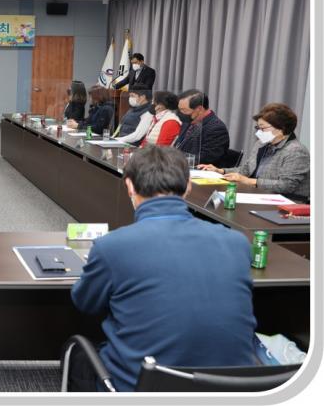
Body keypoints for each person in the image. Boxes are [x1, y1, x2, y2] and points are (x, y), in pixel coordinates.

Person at [69, 146, 257, 392]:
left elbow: (85, 303)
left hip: (143, 388)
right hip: (231, 390)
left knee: (77, 354)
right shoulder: (237, 243)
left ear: (129, 186)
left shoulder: (112, 246)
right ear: (188, 186)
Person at [198, 103, 309, 201]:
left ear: (281, 129)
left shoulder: (296, 151)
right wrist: (221, 171)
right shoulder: (262, 144)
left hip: (287, 202)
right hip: (258, 195)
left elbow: (287, 185)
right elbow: (246, 169)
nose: (259, 132)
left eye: (263, 128)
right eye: (258, 128)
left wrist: (250, 181)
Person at [173, 89, 230, 165]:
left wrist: (174, 160)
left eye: (184, 110)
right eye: (179, 109)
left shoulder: (216, 129)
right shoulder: (188, 121)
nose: (180, 113)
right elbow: (178, 145)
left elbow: (205, 159)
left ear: (199, 109)